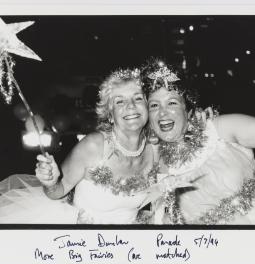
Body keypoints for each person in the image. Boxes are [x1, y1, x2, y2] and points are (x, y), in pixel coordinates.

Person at [0, 68, 156, 224]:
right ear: (110, 115)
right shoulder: (93, 146)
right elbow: (57, 192)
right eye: (120, 101)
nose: (131, 106)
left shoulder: (154, 149)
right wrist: (51, 183)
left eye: (138, 98)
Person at [143, 60, 255, 225]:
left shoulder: (220, 130)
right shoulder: (153, 166)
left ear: (188, 111)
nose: (162, 112)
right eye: (154, 105)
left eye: (172, 102)